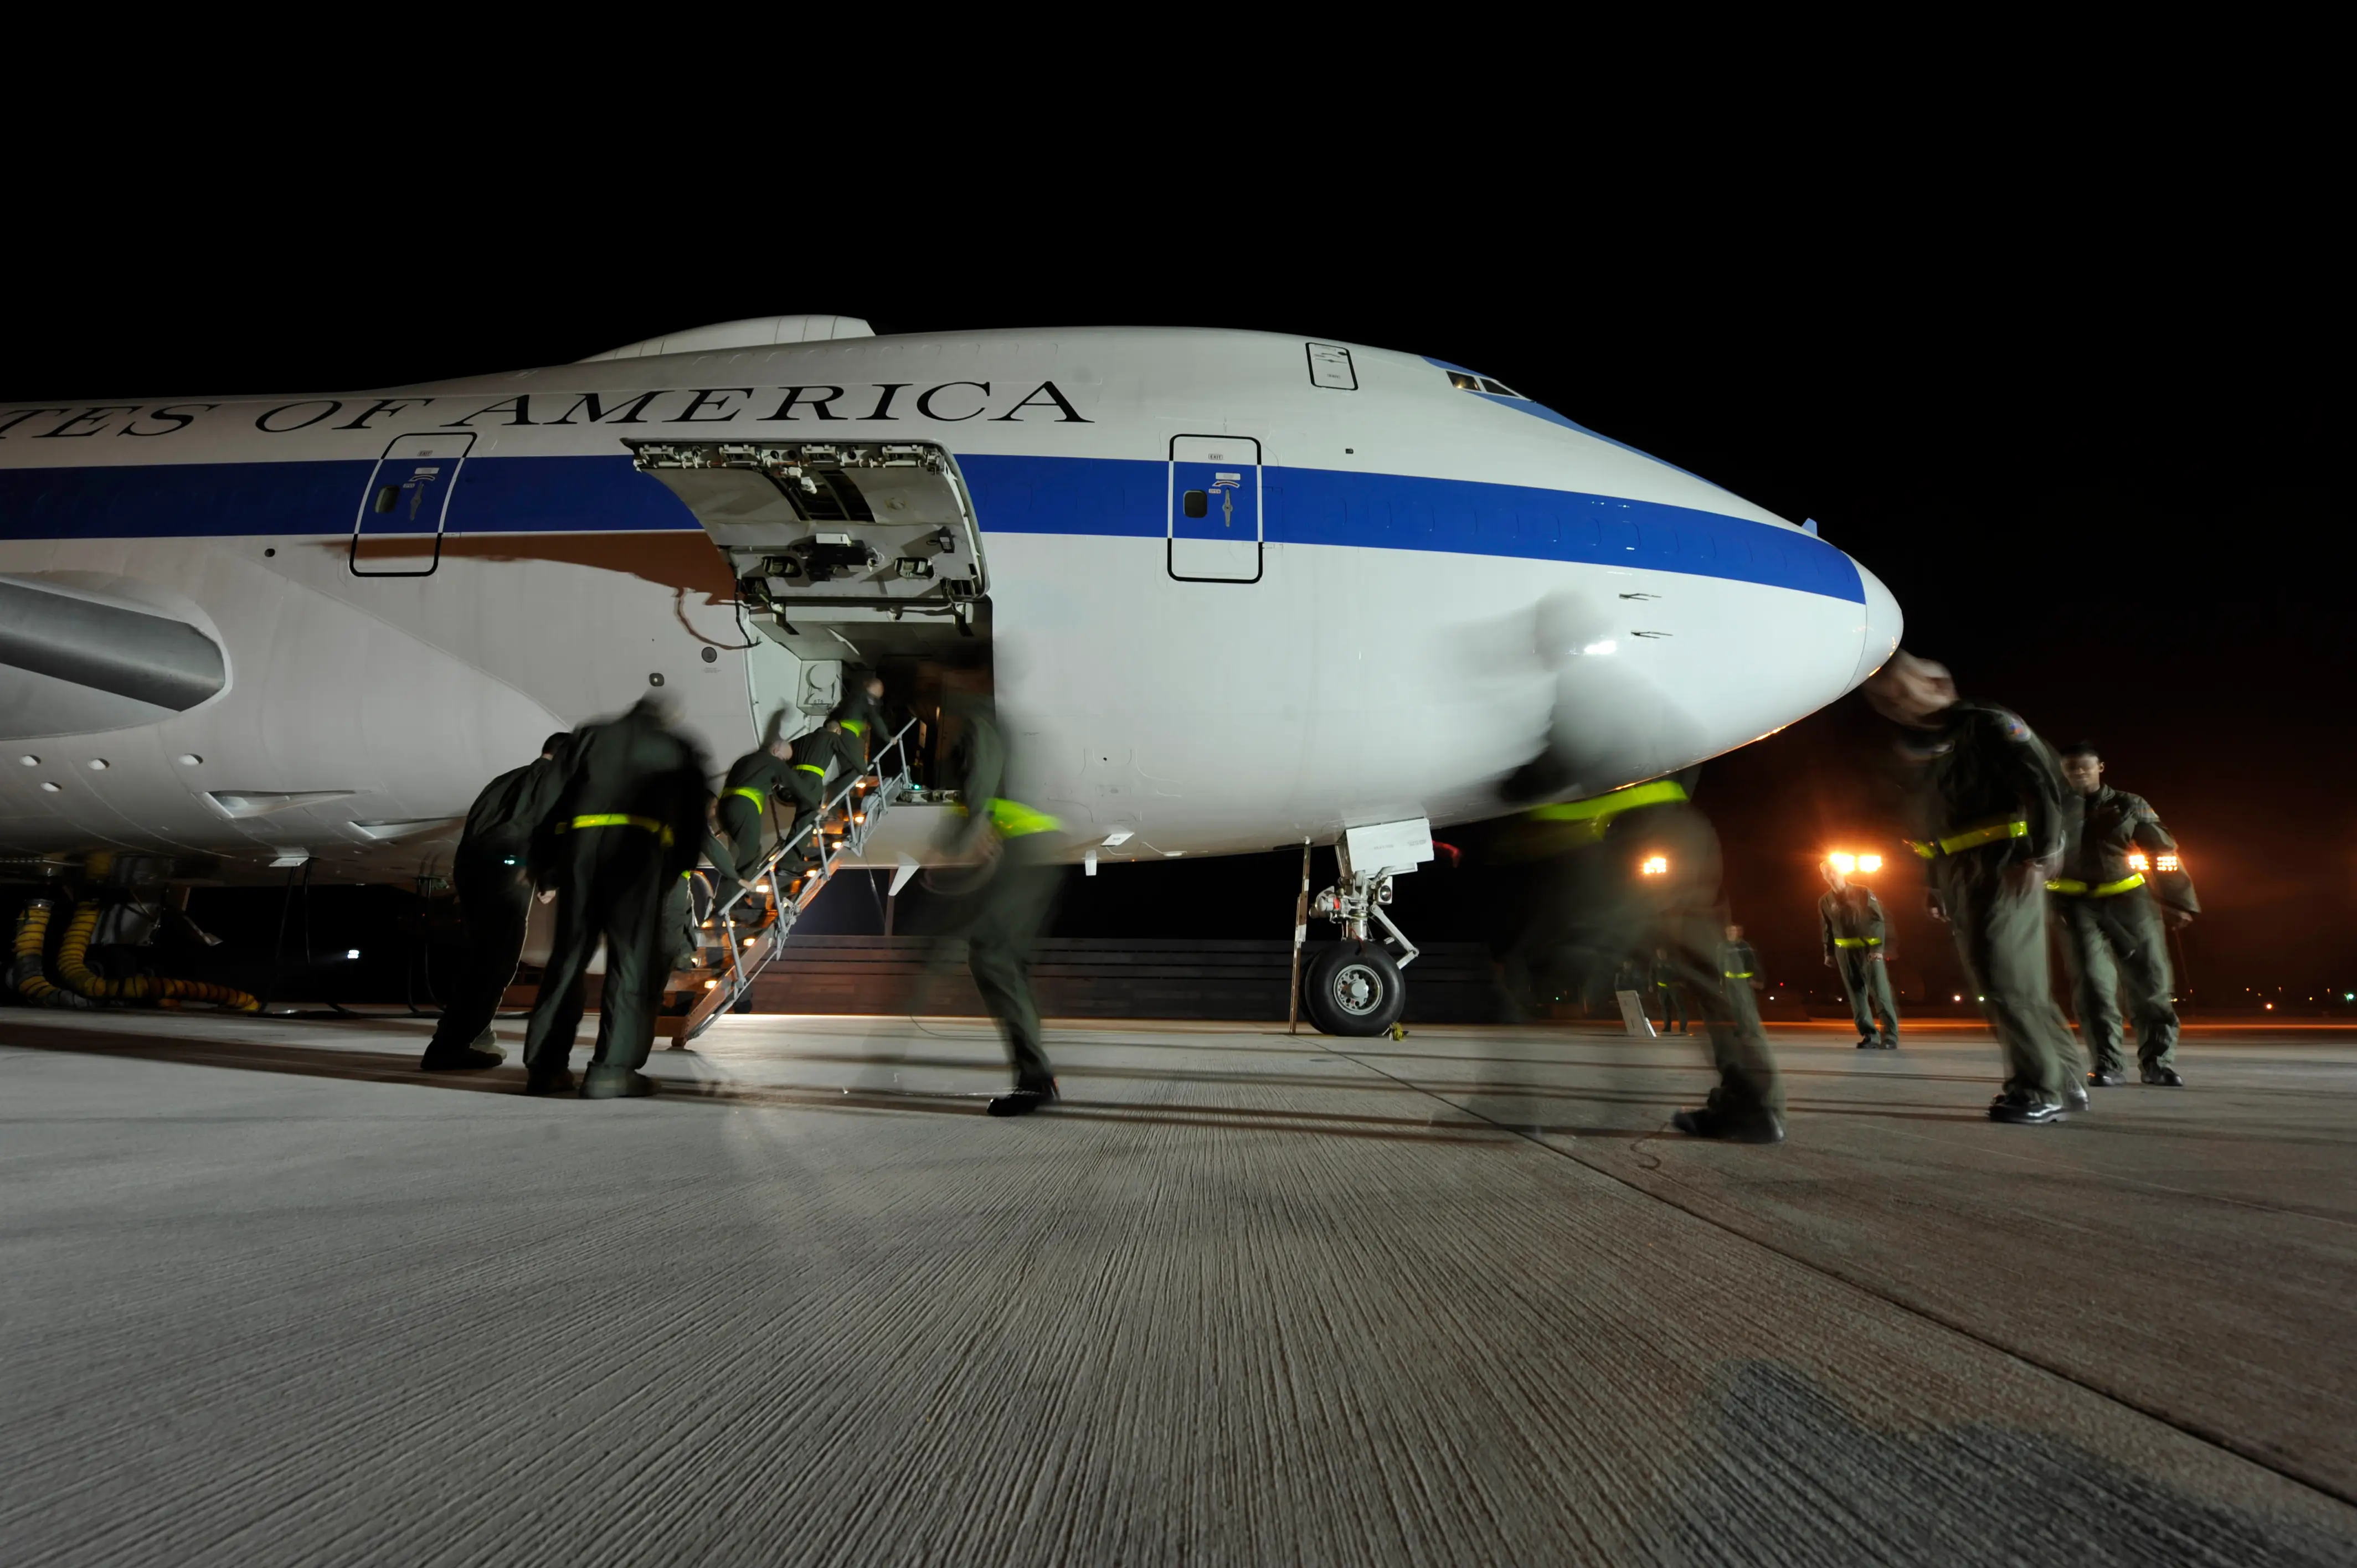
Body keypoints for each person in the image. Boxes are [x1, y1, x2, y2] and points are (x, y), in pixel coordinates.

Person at [1864, 651, 2085, 1125]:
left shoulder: (1984, 722)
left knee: (2008, 976)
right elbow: (1922, 825)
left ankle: (2037, 1088)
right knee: (2003, 978)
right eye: (1886, 700)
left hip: (2007, 860)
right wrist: (1933, 884)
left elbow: (2040, 780)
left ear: (1940, 685)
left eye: (1904, 690)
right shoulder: (1916, 748)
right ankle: (2066, 1078)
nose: (1896, 704)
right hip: (1957, 871)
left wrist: (2045, 850)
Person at [1505, 771, 1784, 1141]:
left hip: (1635, 833)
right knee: (1712, 975)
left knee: (1586, 946)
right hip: (1682, 826)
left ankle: (1525, 1098)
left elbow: (1537, 778)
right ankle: (1754, 1106)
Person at [521, 694, 712, 1100]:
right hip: (636, 852)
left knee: (567, 960)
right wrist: (674, 869)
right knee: (631, 963)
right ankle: (611, 1071)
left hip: (580, 850)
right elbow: (693, 817)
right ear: (666, 718)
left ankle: (545, 1068)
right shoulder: (676, 746)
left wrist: (546, 865)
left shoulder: (590, 735)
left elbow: (551, 800)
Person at [938, 678, 1066, 1117]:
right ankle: (1036, 1076)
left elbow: (981, 774)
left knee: (992, 957)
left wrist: (969, 831)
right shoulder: (991, 716)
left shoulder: (976, 719)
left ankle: (1034, 1080)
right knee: (1002, 961)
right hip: (1024, 850)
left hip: (1013, 848)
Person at [418, 734, 571, 1071]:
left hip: (471, 868)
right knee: (496, 962)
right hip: (507, 873)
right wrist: (548, 879)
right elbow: (548, 831)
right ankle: (450, 1047)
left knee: (479, 957)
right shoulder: (552, 782)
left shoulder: (504, 779)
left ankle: (478, 1035)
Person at [2052, 741, 2200, 1087]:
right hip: (2074, 907)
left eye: (2085, 767)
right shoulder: (2050, 807)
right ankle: (2107, 1063)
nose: (2078, 773)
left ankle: (2157, 1063)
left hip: (2130, 903)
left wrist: (2179, 900)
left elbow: (2163, 852)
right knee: (2093, 986)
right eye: (2071, 768)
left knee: (2151, 983)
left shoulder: (2128, 804)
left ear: (2100, 767)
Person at [1819, 860, 1900, 1049]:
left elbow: (1877, 920)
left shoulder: (1862, 892)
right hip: (1844, 954)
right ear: (1823, 876)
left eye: (1834, 871)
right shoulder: (1825, 901)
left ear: (1842, 872)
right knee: (1856, 996)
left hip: (1868, 952)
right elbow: (1828, 928)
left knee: (1880, 994)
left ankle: (1890, 1036)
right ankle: (1869, 1035)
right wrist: (1828, 952)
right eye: (1826, 872)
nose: (1831, 875)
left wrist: (1877, 949)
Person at [1718, 924, 1766, 1041]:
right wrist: (1721, 980)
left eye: (1734, 931)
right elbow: (1720, 964)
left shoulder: (1745, 946)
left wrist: (1757, 979)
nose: (1732, 933)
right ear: (1726, 932)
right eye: (1730, 931)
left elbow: (1754, 963)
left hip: (1745, 982)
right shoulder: (1722, 946)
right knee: (1736, 1008)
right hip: (1731, 982)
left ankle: (1754, 1032)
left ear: (1738, 933)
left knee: (1749, 1007)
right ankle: (1742, 1030)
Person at [1649, 947, 1689, 1034]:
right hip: (1662, 989)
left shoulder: (1673, 962)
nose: (1661, 955)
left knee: (1680, 1007)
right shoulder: (1655, 962)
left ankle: (1683, 1027)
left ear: (1666, 952)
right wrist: (1651, 985)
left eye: (1662, 953)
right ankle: (1667, 1027)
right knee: (1665, 1008)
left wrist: (1682, 982)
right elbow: (1652, 974)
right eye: (1659, 953)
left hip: (1674, 987)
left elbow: (1682, 972)